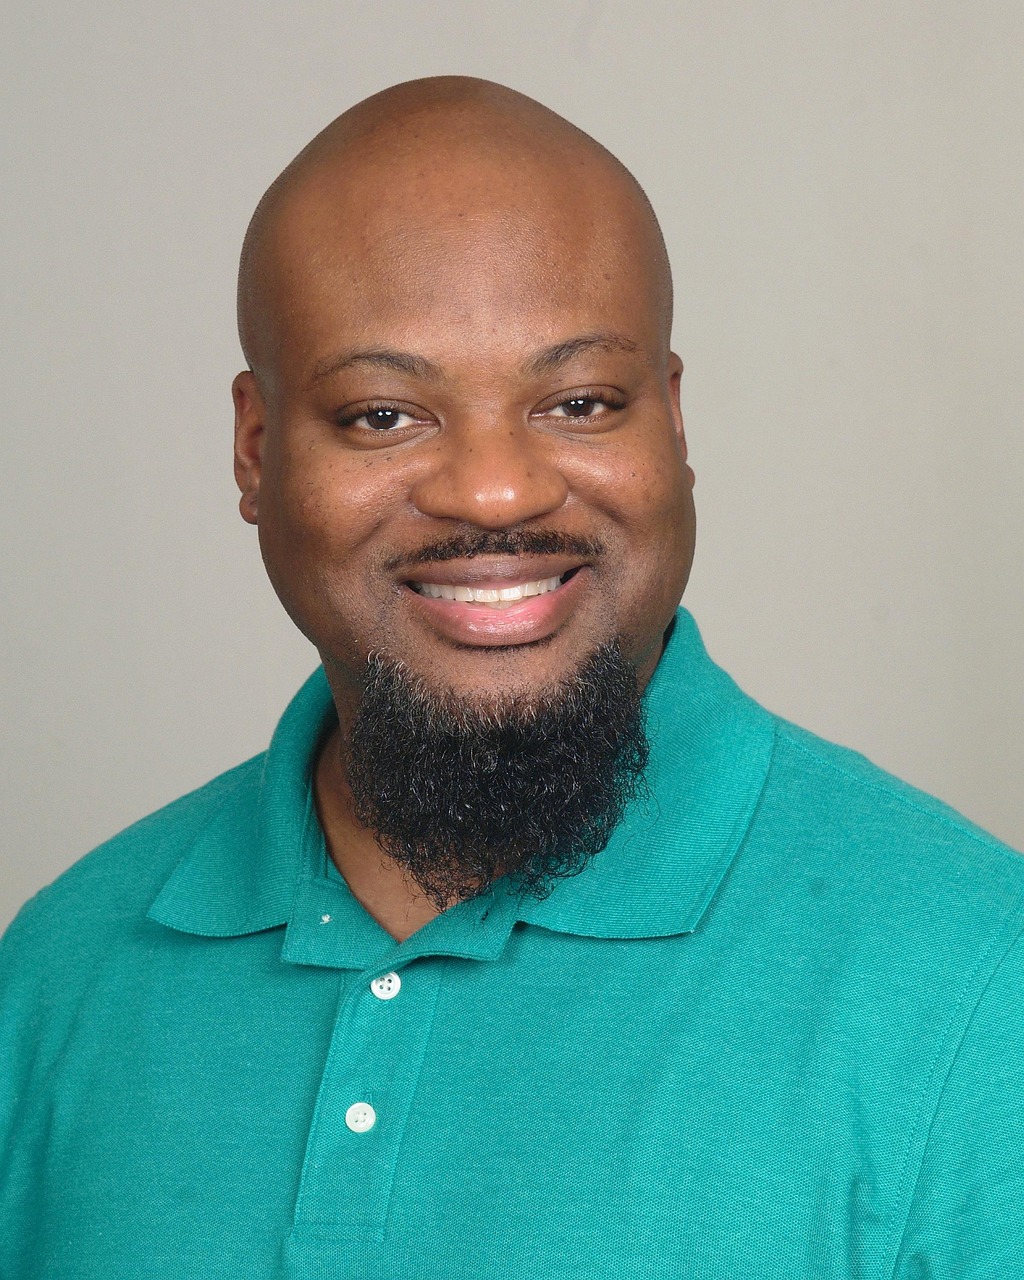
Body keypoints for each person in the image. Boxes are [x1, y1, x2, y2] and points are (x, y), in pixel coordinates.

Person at [2, 76, 1023, 1279]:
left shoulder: (976, 981)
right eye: (384, 414)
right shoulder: (59, 972)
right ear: (257, 447)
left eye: (580, 400)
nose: (494, 491)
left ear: (673, 424)